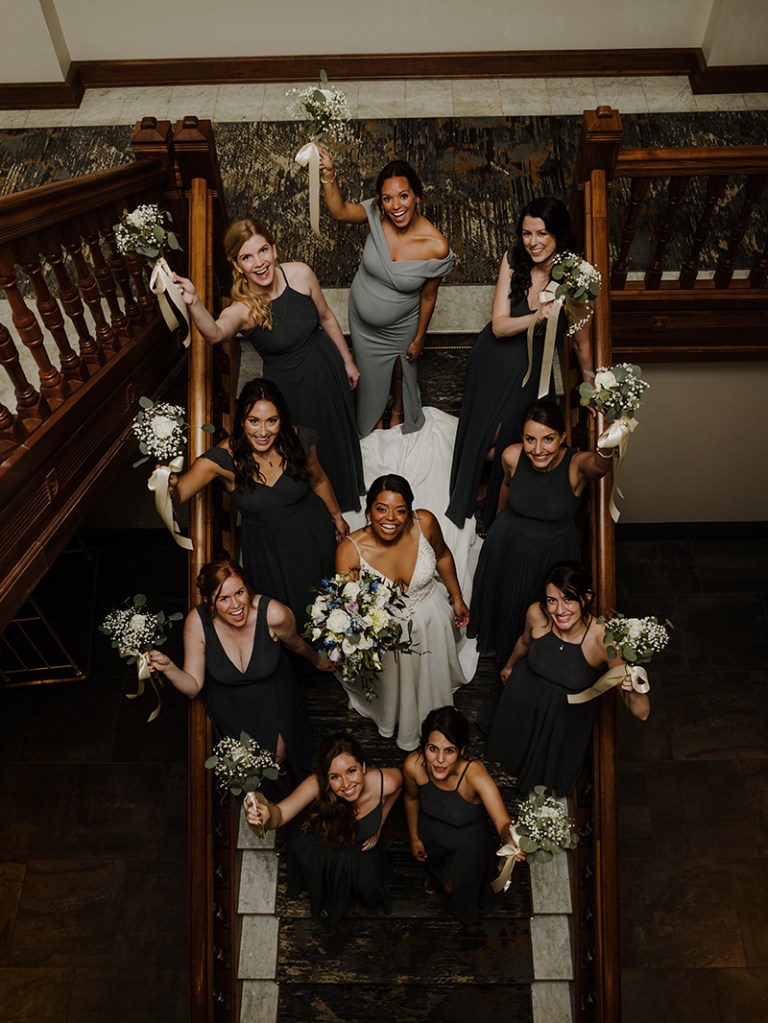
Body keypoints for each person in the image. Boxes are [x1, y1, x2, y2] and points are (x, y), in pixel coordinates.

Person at [172, 218, 364, 512]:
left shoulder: (300, 273)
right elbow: (215, 333)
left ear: (274, 249)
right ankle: (320, 511)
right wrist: (194, 302)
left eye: (263, 251)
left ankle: (347, 501)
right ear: (237, 266)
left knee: (337, 435)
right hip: (291, 390)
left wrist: (347, 361)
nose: (259, 263)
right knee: (307, 448)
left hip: (328, 368)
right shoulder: (243, 309)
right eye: (247, 257)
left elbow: (326, 317)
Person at [447, 197, 595, 532]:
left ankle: (492, 500)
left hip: (530, 373)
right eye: (527, 233)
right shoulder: (514, 259)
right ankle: (470, 491)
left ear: (558, 234)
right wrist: (537, 316)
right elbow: (499, 326)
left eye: (542, 233)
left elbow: (583, 344)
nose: (533, 242)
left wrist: (590, 388)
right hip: (491, 360)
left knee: (510, 440)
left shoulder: (577, 279)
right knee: (481, 436)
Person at [167, 378, 349, 628]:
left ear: (281, 420)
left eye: (271, 421)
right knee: (282, 620)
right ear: (242, 421)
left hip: (311, 535)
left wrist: (337, 516)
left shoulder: (297, 440)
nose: (263, 432)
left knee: (324, 610)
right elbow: (180, 493)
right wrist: (168, 482)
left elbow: (318, 480)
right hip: (267, 552)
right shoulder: (224, 458)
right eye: (254, 421)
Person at [145, 558, 332, 797]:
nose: (236, 605)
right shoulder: (197, 623)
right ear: (208, 601)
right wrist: (168, 667)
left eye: (240, 593)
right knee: (250, 774)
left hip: (274, 695)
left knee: (282, 756)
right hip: (231, 707)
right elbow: (193, 687)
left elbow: (295, 644)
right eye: (223, 598)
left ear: (247, 588)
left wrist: (317, 660)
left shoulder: (273, 613)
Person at [468, 399, 615, 668]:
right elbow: (506, 486)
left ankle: (535, 667)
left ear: (562, 437)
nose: (537, 450)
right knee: (508, 605)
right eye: (530, 439)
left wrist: (610, 440)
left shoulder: (575, 464)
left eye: (548, 439)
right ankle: (506, 661)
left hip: (552, 553)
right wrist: (496, 528)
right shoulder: (512, 455)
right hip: (508, 543)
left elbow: (598, 466)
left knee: (544, 612)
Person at [318, 148, 454, 435]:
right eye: (387, 198)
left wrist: (420, 337)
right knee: (367, 372)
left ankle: (397, 411)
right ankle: (373, 417)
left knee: (400, 370)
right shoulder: (377, 214)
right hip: (362, 320)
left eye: (403, 196)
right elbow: (339, 212)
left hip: (401, 324)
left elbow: (429, 296)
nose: (395, 206)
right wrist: (328, 174)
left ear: (417, 196)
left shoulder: (436, 246)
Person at [486, 561, 650, 795]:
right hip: (522, 700)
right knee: (510, 755)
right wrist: (509, 666)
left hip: (562, 720)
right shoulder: (537, 614)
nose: (559, 610)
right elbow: (524, 642)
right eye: (552, 600)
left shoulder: (603, 640)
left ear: (586, 597)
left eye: (568, 599)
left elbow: (642, 713)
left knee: (541, 776)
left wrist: (632, 689)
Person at [335, 475, 472, 751]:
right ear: (369, 510)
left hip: (431, 618)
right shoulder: (350, 550)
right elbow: (349, 608)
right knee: (398, 686)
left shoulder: (426, 523)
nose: (390, 518)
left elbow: (443, 556)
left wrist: (457, 598)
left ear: (409, 510)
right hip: (389, 638)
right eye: (381, 509)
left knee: (432, 674)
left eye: (400, 510)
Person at [244, 733, 403, 924]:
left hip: (360, 851)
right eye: (335, 777)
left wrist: (380, 822)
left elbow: (399, 787)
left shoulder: (387, 782)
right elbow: (281, 813)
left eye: (351, 771)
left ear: (363, 766)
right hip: (326, 843)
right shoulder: (315, 784)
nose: (346, 785)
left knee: (368, 888)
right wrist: (268, 816)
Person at [403, 707, 525, 924]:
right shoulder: (413, 766)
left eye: (449, 750)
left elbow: (502, 820)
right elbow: (411, 799)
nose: (440, 760)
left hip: (469, 840)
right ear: (424, 746)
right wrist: (414, 837)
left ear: (461, 750)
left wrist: (509, 838)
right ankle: (436, 874)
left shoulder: (474, 774)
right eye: (433, 749)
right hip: (433, 832)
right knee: (437, 871)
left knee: (454, 889)